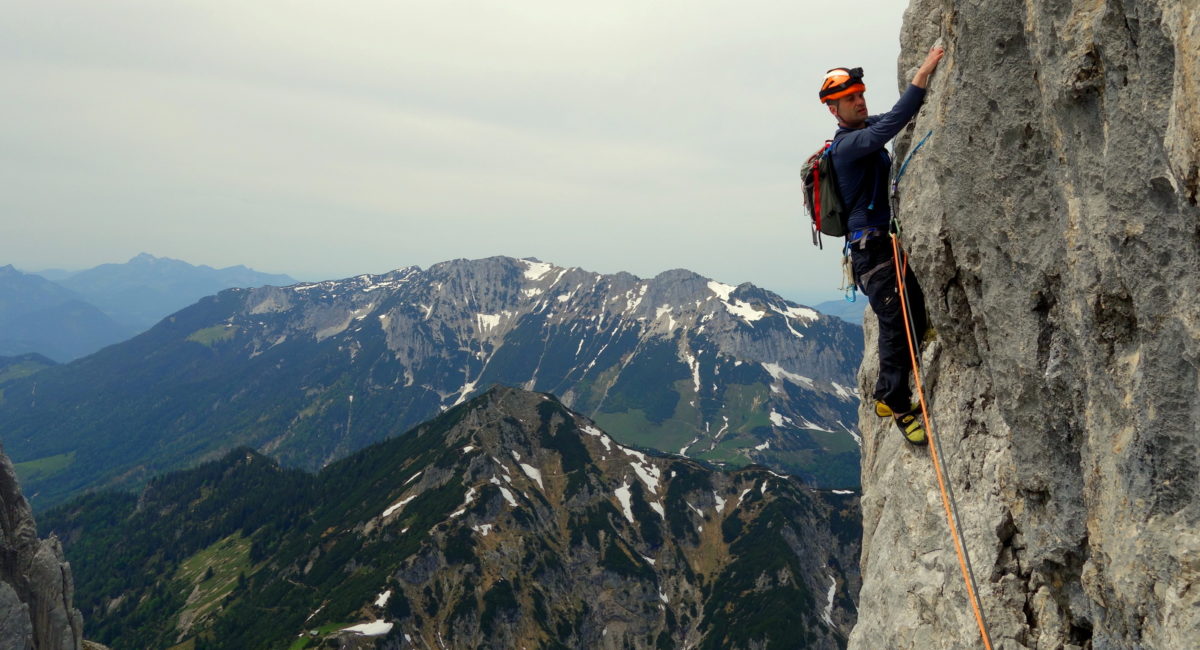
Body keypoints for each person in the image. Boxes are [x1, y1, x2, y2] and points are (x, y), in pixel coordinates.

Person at [819, 47, 945, 445]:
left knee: (916, 317)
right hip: (872, 253)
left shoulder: (859, 134)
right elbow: (891, 124)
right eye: (850, 99)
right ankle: (896, 401)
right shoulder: (847, 147)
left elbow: (887, 118)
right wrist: (923, 74)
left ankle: (889, 396)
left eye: (860, 95)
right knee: (896, 326)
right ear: (834, 110)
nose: (859, 102)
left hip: (883, 247)